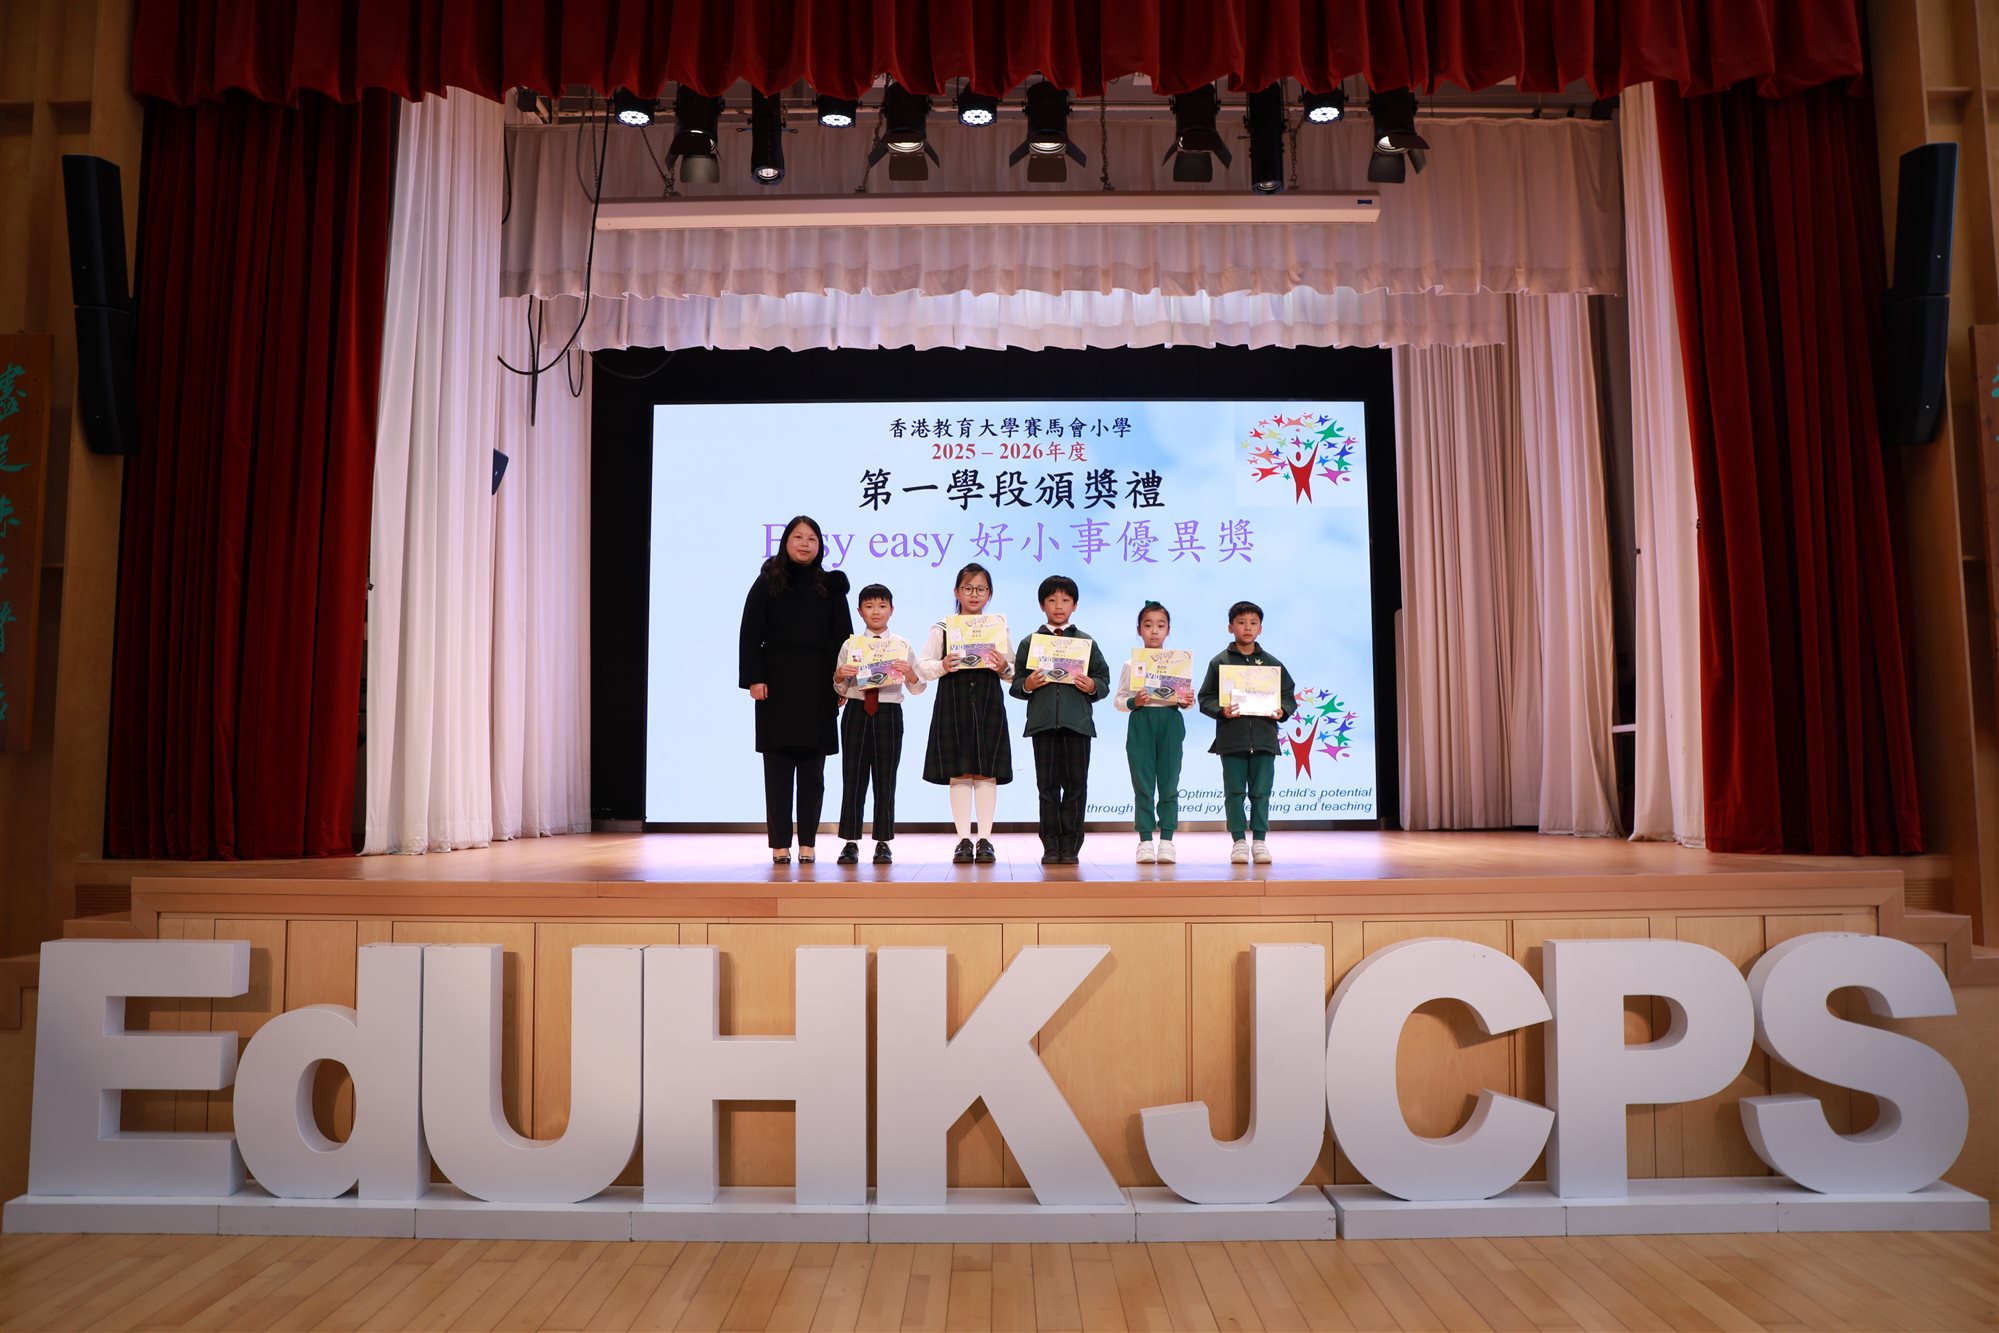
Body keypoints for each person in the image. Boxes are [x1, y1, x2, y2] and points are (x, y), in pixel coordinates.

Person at [738, 515, 852, 864]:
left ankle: (808, 843)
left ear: (820, 546)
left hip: (819, 684)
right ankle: (779, 844)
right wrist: (754, 678)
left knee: (813, 774)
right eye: (798, 537)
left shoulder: (830, 585)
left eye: (812, 538)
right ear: (786, 541)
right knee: (777, 771)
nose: (805, 544)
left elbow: (844, 638)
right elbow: (750, 632)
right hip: (776, 685)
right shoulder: (767, 581)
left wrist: (842, 683)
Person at [918, 562, 1013, 864]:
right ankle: (962, 840)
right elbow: (923, 667)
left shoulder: (998, 628)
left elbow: (1012, 672)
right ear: (956, 592)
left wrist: (1004, 666)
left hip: (988, 699)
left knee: (986, 769)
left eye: (981, 589)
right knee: (959, 770)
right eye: (968, 588)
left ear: (989, 594)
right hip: (953, 699)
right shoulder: (942, 628)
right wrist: (942, 665)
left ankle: (985, 839)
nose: (974, 594)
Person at [1012, 574, 1109, 866]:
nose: (1058, 606)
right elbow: (1016, 685)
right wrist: (1028, 684)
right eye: (1052, 600)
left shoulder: (1085, 642)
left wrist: (1092, 686)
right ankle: (1050, 845)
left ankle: (1071, 846)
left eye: (1065, 600)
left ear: (1074, 605)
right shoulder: (1030, 643)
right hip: (1043, 725)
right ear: (1042, 605)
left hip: (1077, 725)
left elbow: (1103, 680)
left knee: (1077, 787)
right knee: (1047, 788)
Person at [832, 583, 926, 865]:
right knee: (853, 778)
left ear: (892, 610)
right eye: (869, 606)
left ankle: (883, 842)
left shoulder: (901, 645)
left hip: (888, 713)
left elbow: (919, 687)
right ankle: (850, 842)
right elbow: (839, 688)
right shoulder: (850, 645)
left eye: (882, 606)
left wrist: (910, 674)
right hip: (856, 711)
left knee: (886, 779)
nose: (876, 611)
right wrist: (839, 675)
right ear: (859, 611)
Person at [1197, 600, 1295, 865]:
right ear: (1230, 627)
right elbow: (1204, 698)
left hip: (1264, 739)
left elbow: (1288, 696)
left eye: (1253, 623)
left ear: (1260, 628)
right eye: (1241, 623)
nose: (1247, 628)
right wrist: (1221, 710)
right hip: (1232, 739)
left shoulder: (1272, 664)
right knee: (1234, 793)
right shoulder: (1220, 662)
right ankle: (1239, 841)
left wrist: (1282, 710)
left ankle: (1260, 841)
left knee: (1261, 792)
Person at [1113, 600, 1192, 863]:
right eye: (1148, 625)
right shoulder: (1130, 664)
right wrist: (1135, 702)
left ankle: (1167, 840)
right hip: (1141, 723)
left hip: (1170, 722)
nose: (1154, 631)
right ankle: (1145, 840)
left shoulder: (1179, 663)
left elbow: (1185, 700)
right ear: (1139, 630)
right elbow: (1119, 701)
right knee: (1143, 784)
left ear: (1168, 630)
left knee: (1169, 784)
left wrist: (1187, 701)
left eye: (1161, 626)